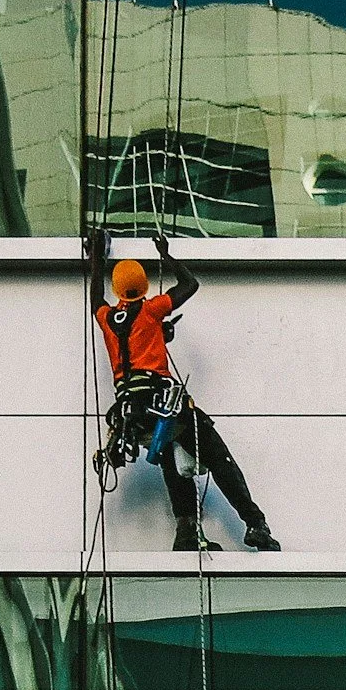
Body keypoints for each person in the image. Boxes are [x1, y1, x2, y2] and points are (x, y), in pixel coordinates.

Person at [87, 231, 279, 554]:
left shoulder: (108, 319)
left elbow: (95, 298)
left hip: (132, 418)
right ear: (143, 288)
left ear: (119, 290)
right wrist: (167, 255)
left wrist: (96, 258)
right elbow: (190, 285)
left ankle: (187, 532)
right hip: (163, 405)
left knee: (171, 462)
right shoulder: (150, 310)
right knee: (217, 455)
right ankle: (255, 524)